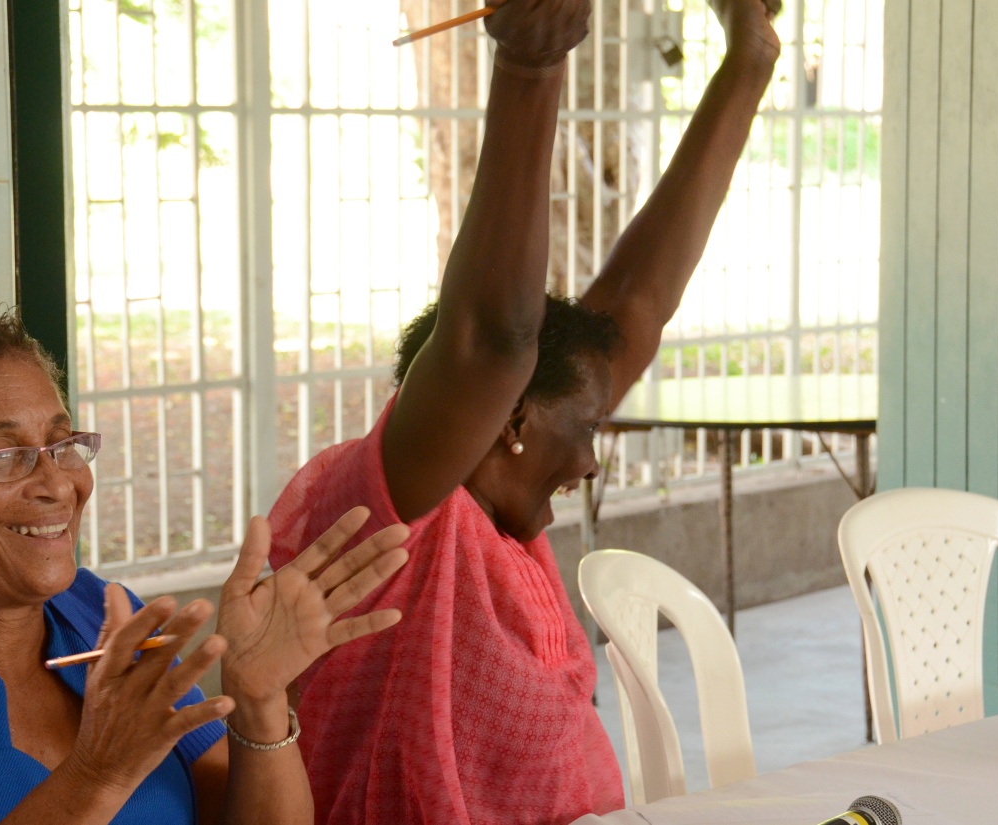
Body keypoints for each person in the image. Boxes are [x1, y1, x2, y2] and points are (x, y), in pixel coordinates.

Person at [267, 0, 782, 822]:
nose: (589, 462)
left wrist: (748, 62)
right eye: (585, 431)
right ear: (506, 421)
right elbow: (492, 339)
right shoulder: (392, 516)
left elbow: (640, 299)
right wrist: (531, 68)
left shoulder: (503, 521)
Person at [0, 312, 409, 825]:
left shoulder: (99, 613)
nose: (57, 484)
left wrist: (257, 698)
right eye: (5, 456)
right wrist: (98, 774)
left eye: (62, 443)